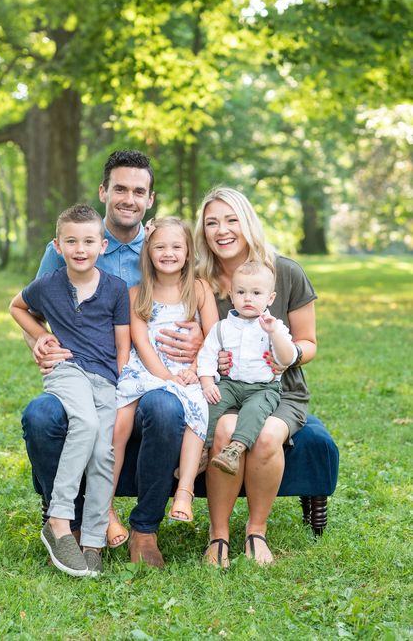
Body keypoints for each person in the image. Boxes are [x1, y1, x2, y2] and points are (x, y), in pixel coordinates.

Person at [21, 150, 203, 569]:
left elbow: (195, 292)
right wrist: (39, 338)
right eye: (119, 188)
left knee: (164, 406)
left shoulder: (160, 245)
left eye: (138, 191)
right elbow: (31, 303)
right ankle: (74, 523)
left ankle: (144, 530)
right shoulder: (75, 241)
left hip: (143, 373)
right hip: (80, 372)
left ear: (150, 199)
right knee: (41, 416)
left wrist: (200, 336)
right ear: (104, 191)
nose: (128, 198)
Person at [194, 187, 317, 568]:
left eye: (231, 220)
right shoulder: (201, 282)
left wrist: (287, 357)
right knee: (227, 431)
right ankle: (218, 536)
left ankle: (256, 531)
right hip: (229, 390)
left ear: (247, 223)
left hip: (282, 391)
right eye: (212, 222)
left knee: (265, 436)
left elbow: (309, 343)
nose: (222, 230)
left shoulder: (287, 272)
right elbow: (199, 341)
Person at [10, 205, 130, 577]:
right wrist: (41, 335)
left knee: (102, 454)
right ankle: (59, 520)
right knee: (86, 425)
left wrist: (121, 381)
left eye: (89, 241)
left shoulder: (116, 288)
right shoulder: (48, 285)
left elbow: (122, 343)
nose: (81, 248)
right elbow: (16, 306)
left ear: (103, 245)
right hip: (67, 369)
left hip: (105, 378)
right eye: (71, 241)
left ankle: (92, 540)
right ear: (57, 246)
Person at [114, 217, 219, 527]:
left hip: (188, 370)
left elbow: (213, 337)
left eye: (176, 246)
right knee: (118, 424)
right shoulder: (136, 294)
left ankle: (184, 491)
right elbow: (141, 343)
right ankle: (104, 507)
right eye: (159, 246)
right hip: (147, 370)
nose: (168, 253)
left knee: (197, 406)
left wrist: (193, 369)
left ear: (188, 251)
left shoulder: (198, 289)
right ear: (148, 251)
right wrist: (165, 376)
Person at [198, 260, 297, 476]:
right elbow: (206, 356)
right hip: (230, 384)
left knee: (255, 411)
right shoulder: (222, 327)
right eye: (241, 292)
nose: (248, 298)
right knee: (210, 405)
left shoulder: (274, 326)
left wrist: (274, 334)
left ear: (270, 298)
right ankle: (201, 452)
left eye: (256, 293)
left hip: (263, 388)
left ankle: (234, 451)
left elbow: (287, 357)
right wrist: (207, 383)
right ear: (232, 296)